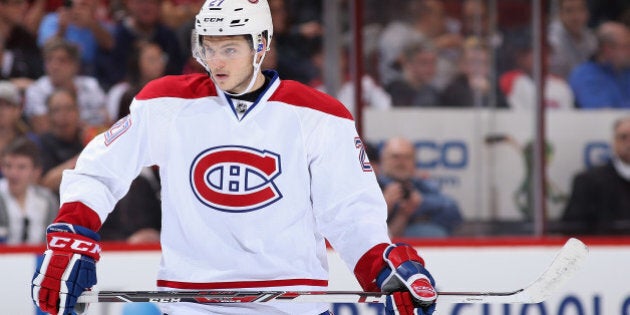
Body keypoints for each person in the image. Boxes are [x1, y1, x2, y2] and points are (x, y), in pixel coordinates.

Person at [30, 1, 438, 315]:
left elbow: (349, 211)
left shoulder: (319, 116)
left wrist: (379, 264)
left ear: (260, 46)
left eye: (229, 48)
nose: (216, 62)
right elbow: (100, 169)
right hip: (192, 302)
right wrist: (74, 233)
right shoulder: (167, 103)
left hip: (288, 304)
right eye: (208, 48)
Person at [377, 136, 463, 238]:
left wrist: (421, 202)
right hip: (383, 243)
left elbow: (452, 210)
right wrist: (383, 205)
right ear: (383, 159)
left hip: (423, 246)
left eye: (407, 157)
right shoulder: (372, 186)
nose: (401, 162)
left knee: (430, 232)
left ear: (414, 161)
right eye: (395, 157)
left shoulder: (421, 185)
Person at [561, 116, 630, 235]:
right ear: (613, 142)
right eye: (623, 137)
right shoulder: (588, 181)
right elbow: (572, 228)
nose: (629, 143)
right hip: (602, 251)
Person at [24, 38, 108, 134]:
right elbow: (43, 130)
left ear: (75, 65)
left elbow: (107, 121)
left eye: (62, 60)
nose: (54, 66)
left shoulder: (91, 85)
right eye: (49, 60)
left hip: (94, 141)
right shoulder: (36, 90)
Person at [0, 137, 58, 245]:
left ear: (36, 171)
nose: (13, 173)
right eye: (8, 166)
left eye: (21, 167)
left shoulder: (47, 200)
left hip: (38, 259)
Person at [37, 0, 115, 76]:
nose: (77, 9)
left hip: (89, 72)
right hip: (57, 70)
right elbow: (46, 50)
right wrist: (61, 29)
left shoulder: (98, 25)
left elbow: (109, 45)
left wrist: (91, 24)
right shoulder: (52, 20)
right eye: (73, 5)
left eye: (83, 5)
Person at [569, 21, 630, 109]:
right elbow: (601, 111)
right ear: (608, 49)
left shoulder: (626, 72)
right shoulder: (585, 75)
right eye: (627, 46)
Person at [547, 0, 597, 79]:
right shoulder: (550, 40)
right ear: (560, 14)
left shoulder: (591, 38)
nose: (576, 16)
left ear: (587, 13)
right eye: (569, 11)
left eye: (581, 9)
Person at [385, 39, 441, 107]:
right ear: (408, 64)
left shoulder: (434, 92)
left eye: (433, 62)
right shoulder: (394, 92)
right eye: (424, 63)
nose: (430, 68)